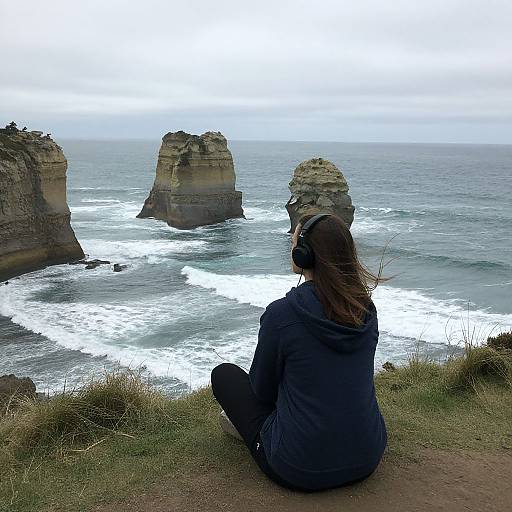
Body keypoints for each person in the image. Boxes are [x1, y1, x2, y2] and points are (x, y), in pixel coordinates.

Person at [211, 213, 387, 492]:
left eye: (294, 242)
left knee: (224, 375)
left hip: (298, 467)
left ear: (304, 255)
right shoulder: (365, 310)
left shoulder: (282, 314)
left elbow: (262, 391)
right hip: (367, 457)